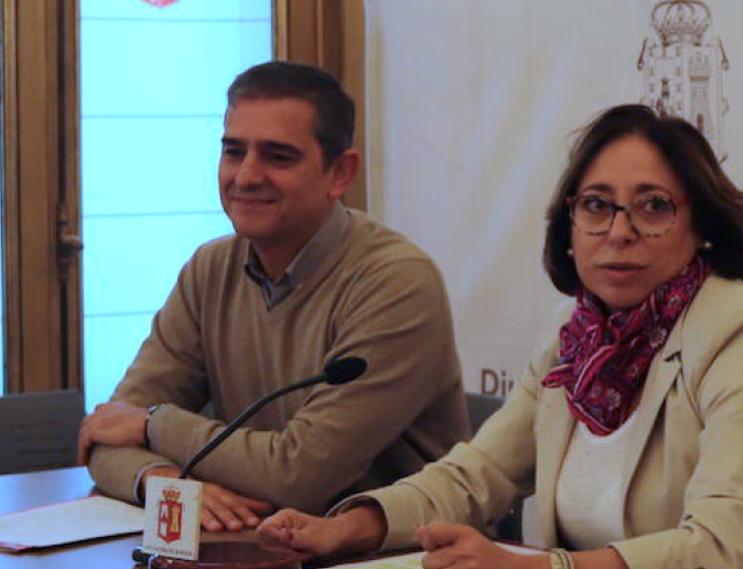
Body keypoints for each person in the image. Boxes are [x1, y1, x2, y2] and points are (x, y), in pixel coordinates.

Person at [258, 104, 743, 569]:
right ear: (569, 224)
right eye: (597, 205)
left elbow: (725, 543)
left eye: (654, 206)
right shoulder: (575, 339)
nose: (619, 231)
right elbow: (477, 475)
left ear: (701, 226)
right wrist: (345, 528)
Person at [76, 61, 469, 531]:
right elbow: (102, 437)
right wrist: (164, 482)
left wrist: (154, 425)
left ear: (340, 173)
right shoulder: (210, 268)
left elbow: (298, 476)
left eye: (278, 157)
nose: (245, 176)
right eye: (233, 151)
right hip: (249, 552)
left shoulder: (396, 282)